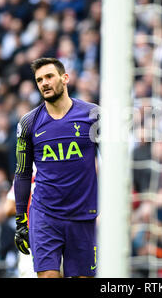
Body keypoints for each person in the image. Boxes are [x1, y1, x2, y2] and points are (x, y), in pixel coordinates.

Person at [13, 57, 98, 278]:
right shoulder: (28, 123)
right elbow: (22, 173)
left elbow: (112, 166)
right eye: (39, 79)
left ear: (65, 78)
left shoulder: (94, 116)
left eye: (49, 76)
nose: (44, 83)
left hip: (83, 215)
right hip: (45, 214)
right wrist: (21, 219)